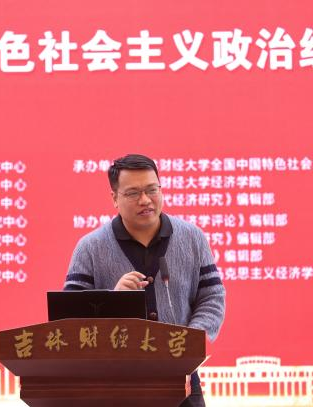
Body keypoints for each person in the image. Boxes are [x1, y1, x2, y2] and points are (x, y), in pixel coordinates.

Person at [64, 154, 225, 407]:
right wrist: (111, 301)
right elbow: (68, 318)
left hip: (181, 381)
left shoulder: (192, 238)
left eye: (152, 189)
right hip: (113, 385)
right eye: (133, 193)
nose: (145, 200)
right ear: (114, 198)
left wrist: (190, 343)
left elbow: (212, 297)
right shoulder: (90, 247)